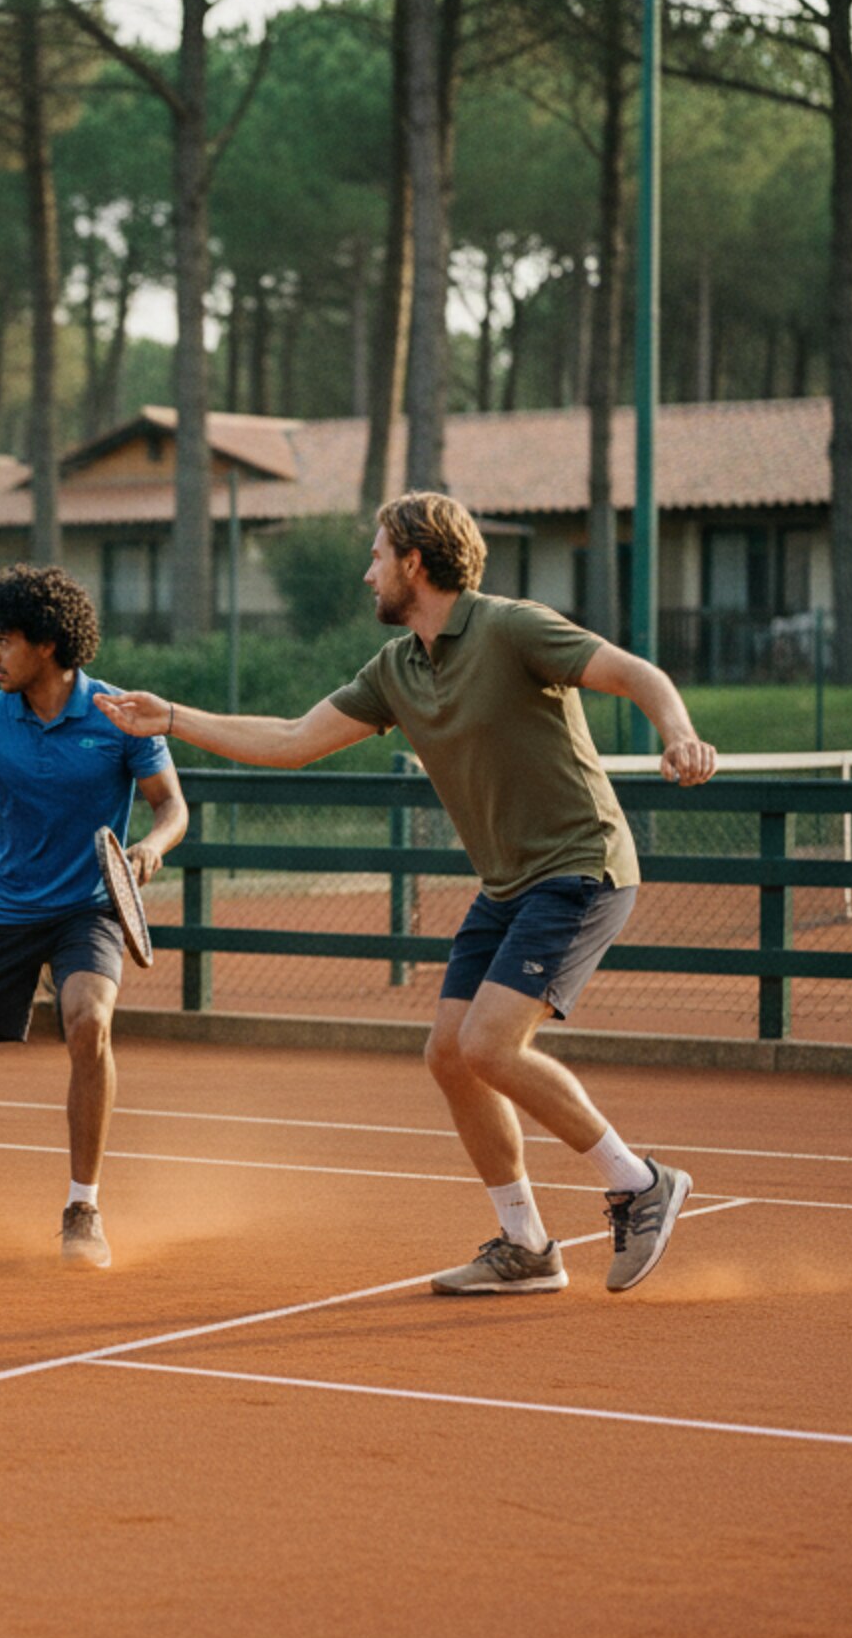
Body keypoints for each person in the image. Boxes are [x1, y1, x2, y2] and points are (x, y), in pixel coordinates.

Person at [95, 491, 718, 1296]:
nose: (368, 573)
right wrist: (170, 718)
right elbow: (291, 741)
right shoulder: (396, 668)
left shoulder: (511, 627)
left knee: (490, 1046)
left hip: (580, 865)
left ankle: (640, 1183)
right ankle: (527, 1245)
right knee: (450, 1057)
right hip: (507, 884)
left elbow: (638, 673)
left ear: (415, 562)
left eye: (378, 556)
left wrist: (678, 732)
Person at [0, 564, 188, 1268]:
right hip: (5, 911)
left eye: (3, 639)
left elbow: (172, 805)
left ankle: (83, 1206)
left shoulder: (116, 714)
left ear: (46, 643)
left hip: (90, 908)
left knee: (89, 1022)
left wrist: (150, 845)